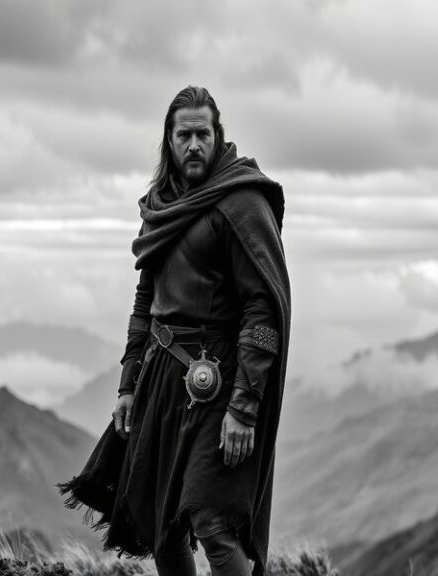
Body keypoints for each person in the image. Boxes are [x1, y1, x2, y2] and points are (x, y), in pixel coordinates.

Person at [59, 86, 290, 576]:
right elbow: (145, 301)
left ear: (217, 136)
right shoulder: (162, 206)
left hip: (218, 381)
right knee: (159, 522)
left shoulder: (242, 203)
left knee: (212, 522)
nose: (192, 145)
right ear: (168, 141)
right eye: (182, 135)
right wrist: (127, 383)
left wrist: (244, 409)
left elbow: (262, 311)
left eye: (201, 134)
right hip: (160, 378)